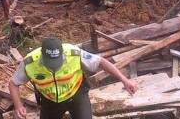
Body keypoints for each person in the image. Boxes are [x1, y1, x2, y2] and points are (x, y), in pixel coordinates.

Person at [9, 37, 138, 119]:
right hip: (50, 100)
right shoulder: (30, 62)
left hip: (76, 95)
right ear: (42, 56)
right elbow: (13, 83)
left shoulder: (74, 53)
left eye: (57, 63)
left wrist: (124, 80)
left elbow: (101, 62)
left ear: (62, 55)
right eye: (50, 64)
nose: (54, 68)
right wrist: (18, 106)